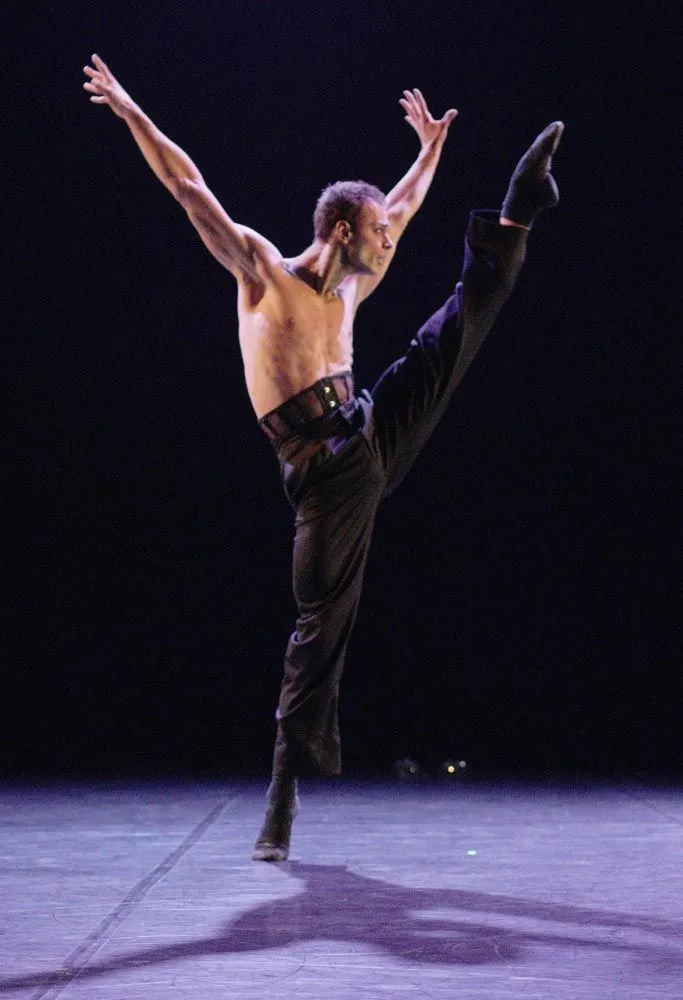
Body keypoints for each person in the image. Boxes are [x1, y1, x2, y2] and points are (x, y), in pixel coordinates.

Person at [83, 54, 563, 861]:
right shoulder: (263, 276)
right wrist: (131, 110)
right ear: (341, 231)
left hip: (368, 430)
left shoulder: (350, 289)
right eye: (375, 232)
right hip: (321, 477)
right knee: (318, 625)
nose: (388, 239)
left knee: (445, 339)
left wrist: (428, 151)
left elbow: (402, 205)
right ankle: (282, 791)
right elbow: (187, 186)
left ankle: (516, 212)